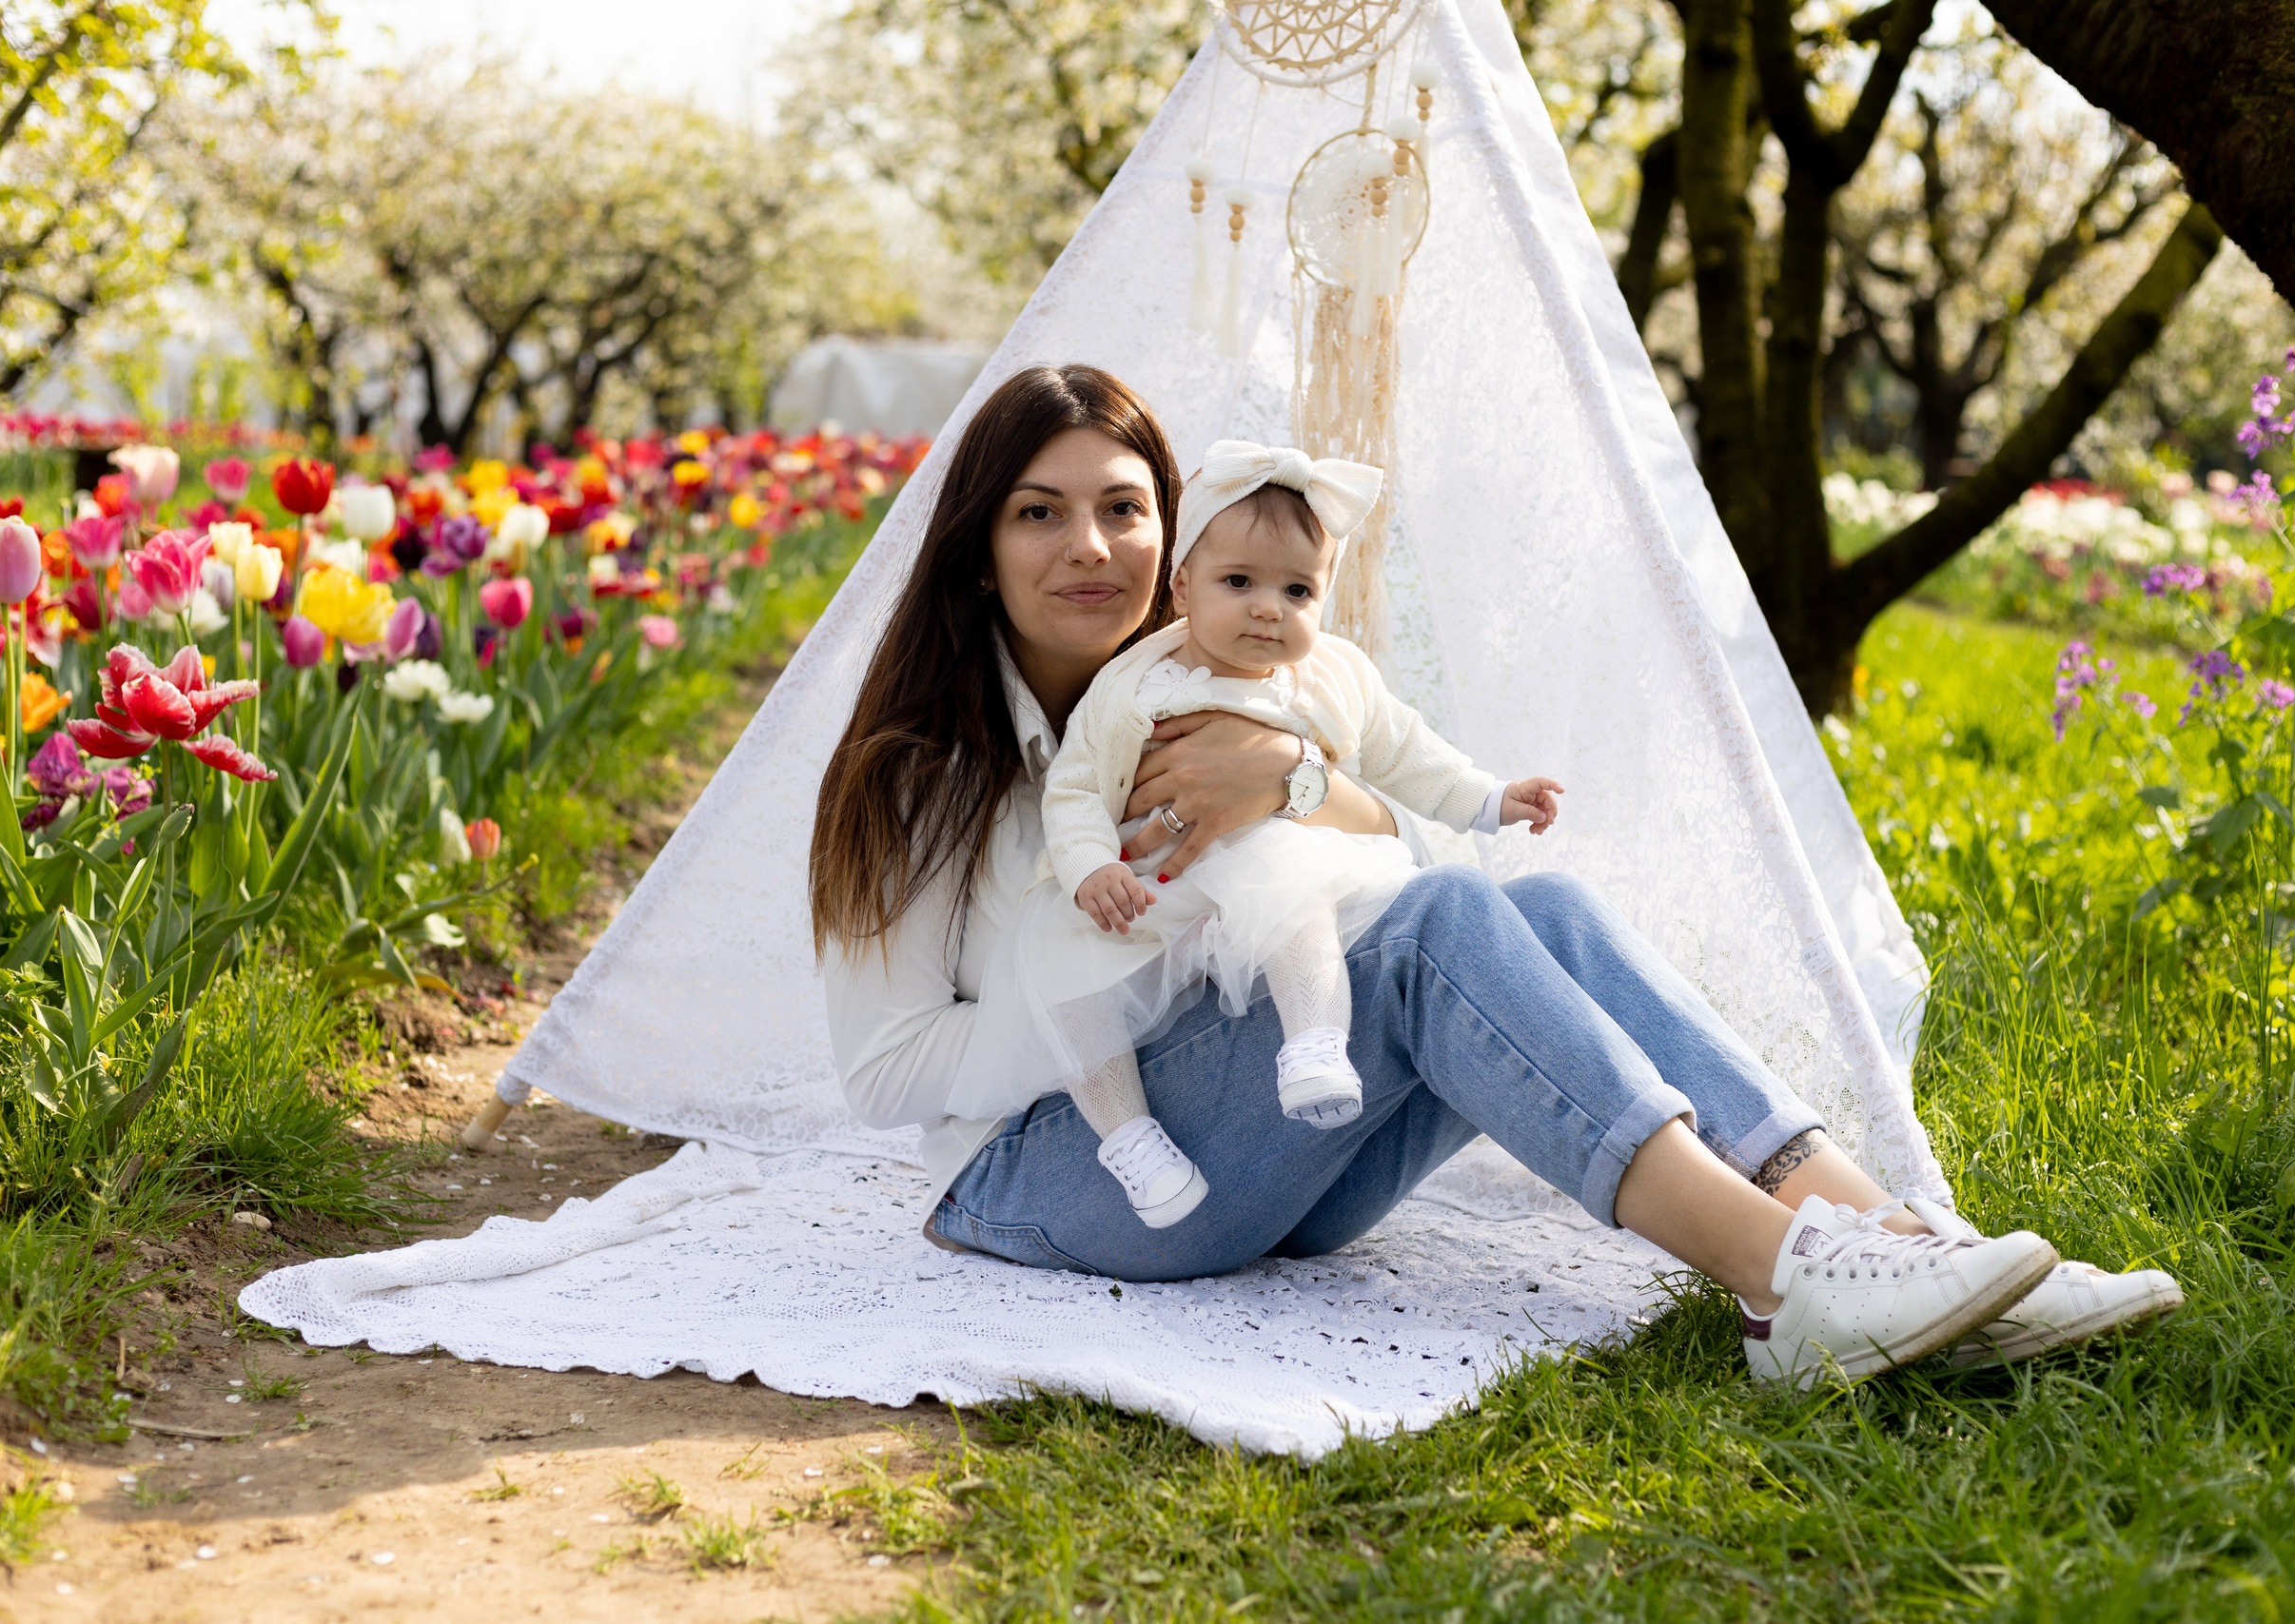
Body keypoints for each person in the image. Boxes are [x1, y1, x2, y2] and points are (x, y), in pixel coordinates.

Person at [810, 363, 2183, 1388]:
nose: (1091, 546)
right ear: (978, 551)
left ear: (1177, 536)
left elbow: (1383, 897)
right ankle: (1782, 1283)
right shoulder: (918, 763)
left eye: (1123, 508)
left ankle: (1897, 1242)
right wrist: (1107, 981)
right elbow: (882, 1075)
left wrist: (1281, 785)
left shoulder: (1213, 683)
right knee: (1450, 922)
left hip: (1268, 1127)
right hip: (1059, 1169)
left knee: (1543, 909)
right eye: (1039, 512)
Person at [987, 439, 1565, 1229]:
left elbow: (1410, 754)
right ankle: (1131, 1142)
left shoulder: (1333, 674)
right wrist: (1090, 867)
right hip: (1152, 887)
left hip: (1269, 861)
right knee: (1068, 983)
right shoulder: (1135, 681)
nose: (1269, 607)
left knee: (1298, 904)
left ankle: (1315, 1047)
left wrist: (1495, 797)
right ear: (1183, 584)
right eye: (1239, 582)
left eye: (1299, 589)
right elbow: (1077, 786)